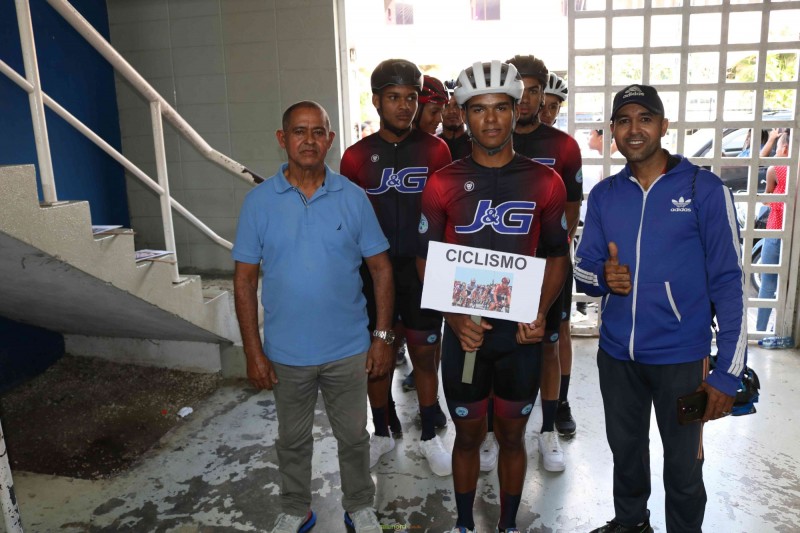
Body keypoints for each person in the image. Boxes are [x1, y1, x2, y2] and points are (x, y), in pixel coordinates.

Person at [574, 84, 747, 533]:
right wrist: (603, 278)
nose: (634, 129)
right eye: (624, 120)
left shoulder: (704, 190)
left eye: (645, 118)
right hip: (617, 356)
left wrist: (727, 374)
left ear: (664, 126)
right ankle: (631, 523)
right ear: (613, 130)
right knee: (626, 454)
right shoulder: (605, 195)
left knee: (684, 469)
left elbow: (729, 284)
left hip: (682, 358)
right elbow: (583, 271)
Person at [418, 60, 569, 533]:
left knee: (512, 438)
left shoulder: (545, 181)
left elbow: (557, 255)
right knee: (467, 439)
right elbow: (425, 259)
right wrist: (452, 317)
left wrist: (540, 311)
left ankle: (506, 526)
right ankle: (465, 525)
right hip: (464, 337)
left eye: (501, 107)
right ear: (464, 113)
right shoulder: (442, 182)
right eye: (478, 108)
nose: (490, 119)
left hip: (518, 338)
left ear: (516, 109)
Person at [232, 101, 394, 533]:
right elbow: (244, 281)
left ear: (330, 139)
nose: (309, 140)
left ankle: (359, 505)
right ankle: (296, 508)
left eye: (318, 131)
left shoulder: (353, 198)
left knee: (354, 437)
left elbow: (381, 269)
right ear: (282, 139)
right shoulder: (259, 203)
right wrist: (253, 352)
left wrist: (381, 337)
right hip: (287, 353)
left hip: (348, 348)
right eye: (299, 131)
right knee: (292, 440)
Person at [340, 59, 454, 477]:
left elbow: (448, 215)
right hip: (372, 275)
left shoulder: (436, 150)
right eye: (394, 98)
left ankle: (429, 434)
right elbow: (348, 224)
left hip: (422, 271)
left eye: (410, 98)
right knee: (378, 355)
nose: (404, 106)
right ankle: (382, 432)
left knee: (424, 354)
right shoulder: (355, 157)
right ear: (376, 101)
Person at [507, 53, 584, 468]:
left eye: (533, 90)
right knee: (496, 346)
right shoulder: (485, 137)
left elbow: (570, 212)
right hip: (498, 267)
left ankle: (548, 429)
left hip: (548, 264)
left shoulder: (563, 146)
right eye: (519, 89)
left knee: (550, 343)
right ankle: (493, 433)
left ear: (542, 94)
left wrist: (551, 256)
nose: (525, 98)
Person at [756, 130, 790, 331]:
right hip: (793, 234)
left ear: (784, 149)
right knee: (789, 286)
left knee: (768, 283)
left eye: (777, 147)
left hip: (775, 230)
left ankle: (760, 329)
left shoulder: (775, 169)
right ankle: (782, 329)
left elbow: (767, 198)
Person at [439, 79, 473, 160]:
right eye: (446, 106)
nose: (451, 111)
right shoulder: (430, 145)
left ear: (464, 109)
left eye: (457, 105)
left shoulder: (476, 145)